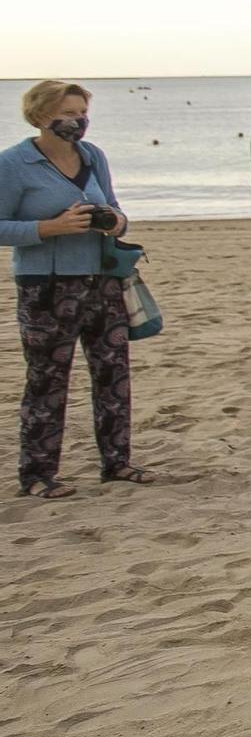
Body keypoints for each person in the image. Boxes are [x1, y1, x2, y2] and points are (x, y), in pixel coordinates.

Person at [1, 81, 151, 498]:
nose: (78, 121)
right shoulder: (14, 164)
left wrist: (115, 221)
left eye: (82, 111)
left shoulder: (93, 156)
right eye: (68, 112)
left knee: (113, 373)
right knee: (47, 380)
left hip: (102, 280)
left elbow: (118, 209)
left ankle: (116, 463)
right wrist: (50, 228)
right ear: (41, 115)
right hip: (45, 287)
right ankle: (37, 475)